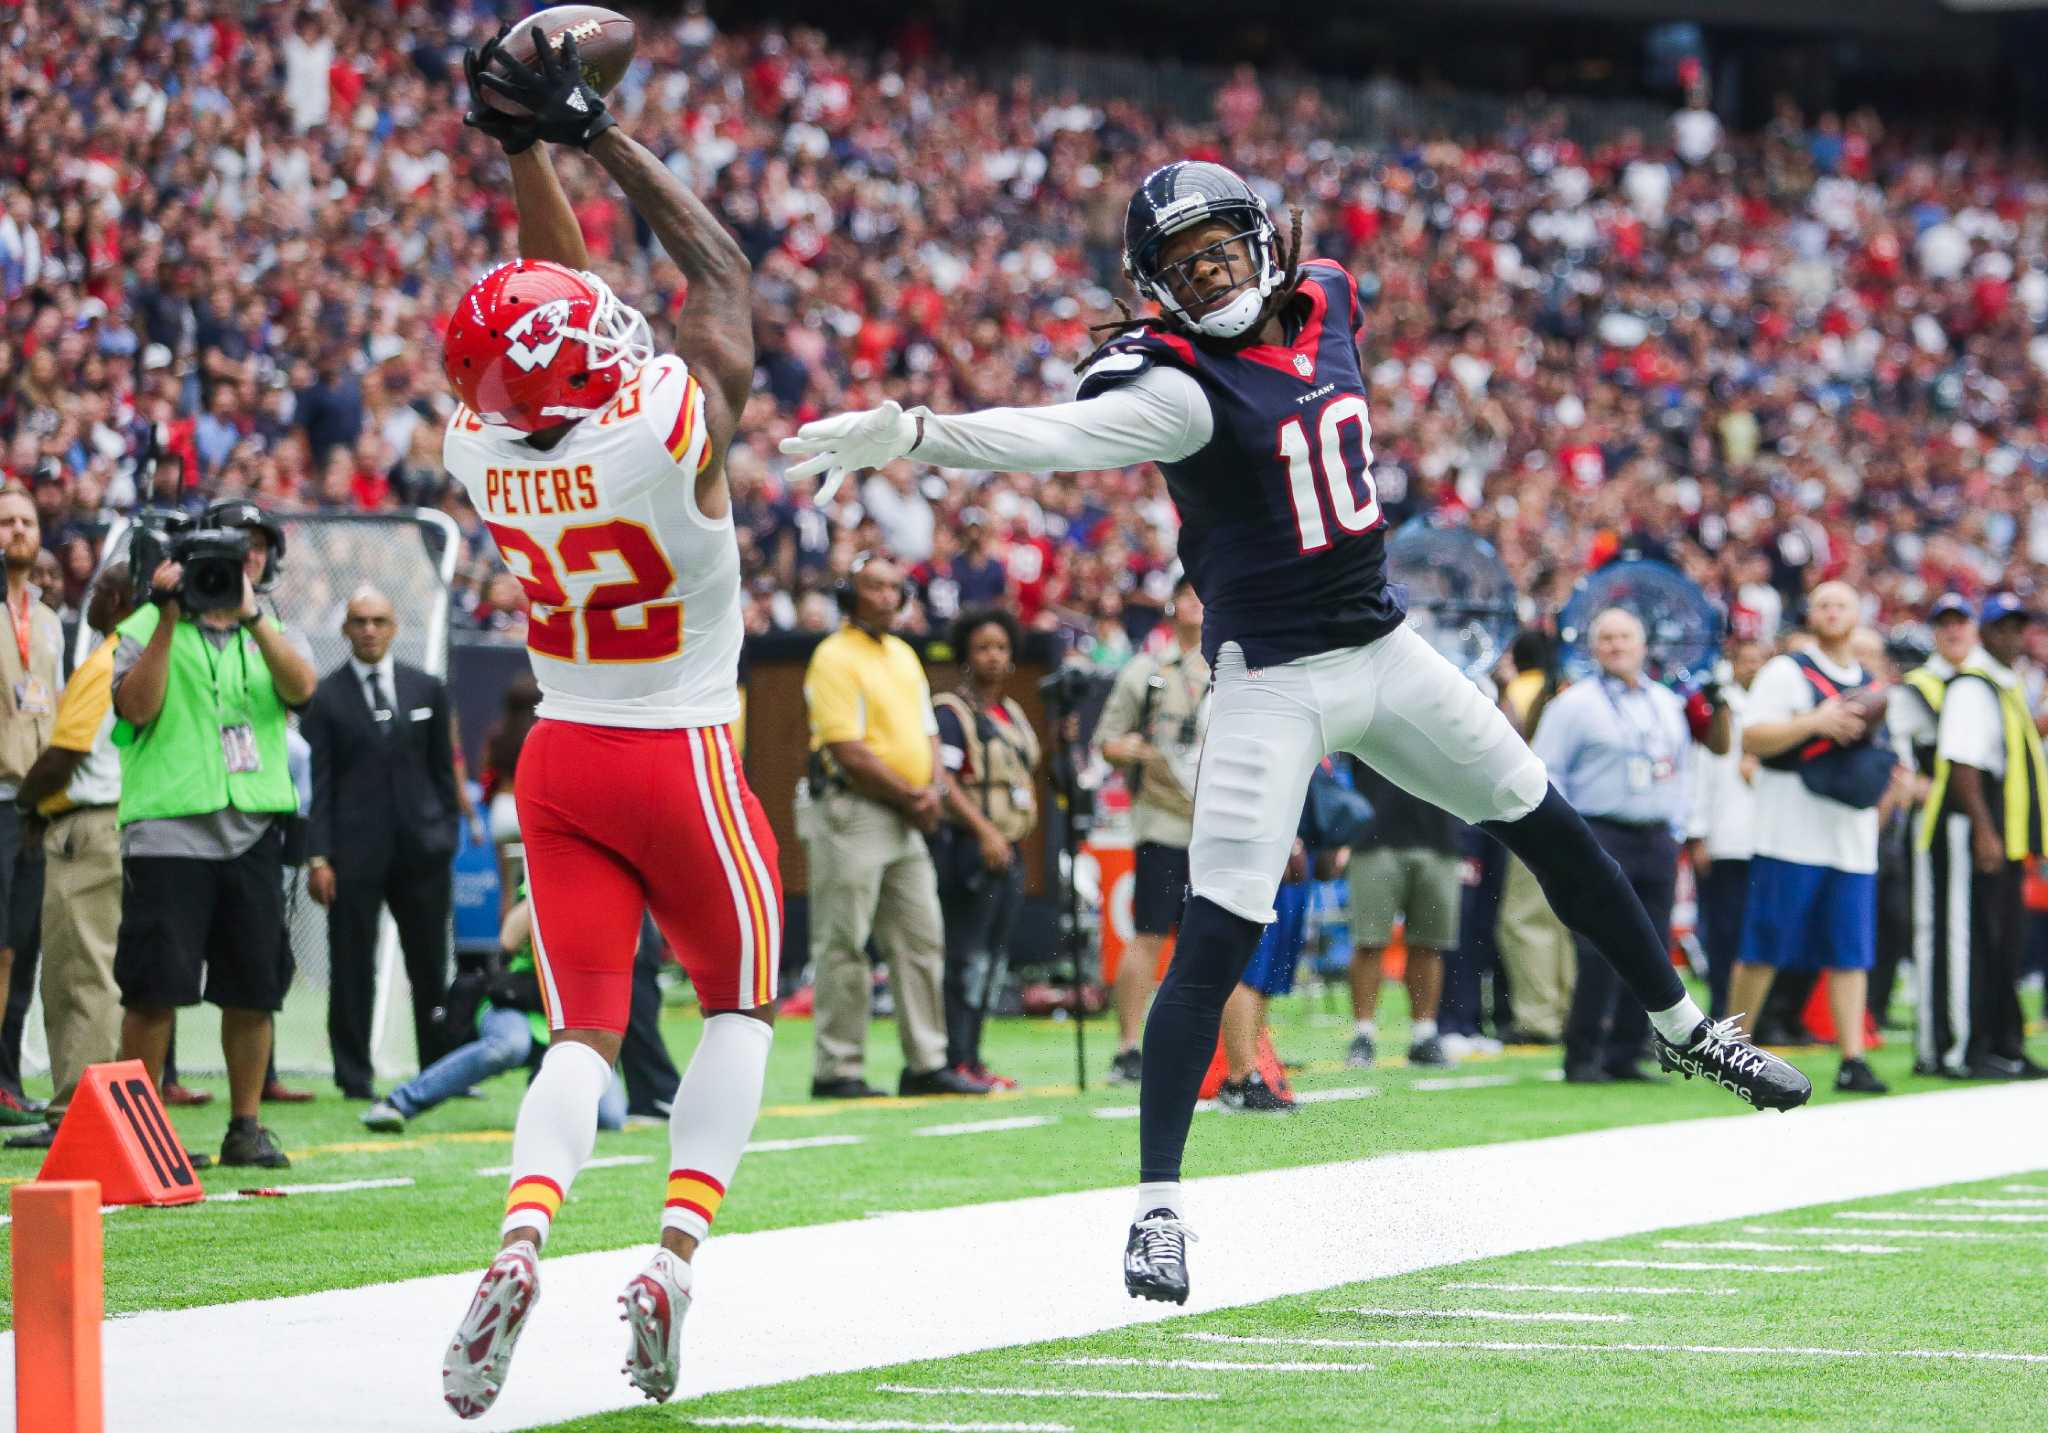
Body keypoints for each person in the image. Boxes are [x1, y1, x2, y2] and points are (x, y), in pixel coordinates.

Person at [782, 159, 1809, 1307]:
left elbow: (1315, 313)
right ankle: (1156, 1209)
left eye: (1219, 252)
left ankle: (1681, 1028)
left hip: (1386, 647)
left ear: (1262, 245)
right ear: (1153, 288)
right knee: (1214, 932)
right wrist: (916, 431)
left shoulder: (1327, 293)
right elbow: (1052, 439)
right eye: (1180, 268)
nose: (1207, 278)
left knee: (1550, 825)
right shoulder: (1175, 387)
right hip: (1270, 681)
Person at [437, 30, 782, 1415]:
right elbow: (719, 276)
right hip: (682, 750)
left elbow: (553, 304)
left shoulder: (476, 446)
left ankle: (523, 1235)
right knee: (741, 1003)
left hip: (562, 756)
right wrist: (593, 133)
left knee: (581, 1031)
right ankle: (674, 1257)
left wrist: (517, 142)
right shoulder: (660, 423)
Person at [109, 500, 316, 1167]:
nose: (242, 561)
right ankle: (137, 1139)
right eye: (228, 551)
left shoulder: (273, 625)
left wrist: (252, 617)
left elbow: (302, 688)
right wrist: (171, 614)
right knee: (153, 989)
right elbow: (136, 706)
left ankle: (245, 1127)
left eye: (253, 550)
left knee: (254, 989)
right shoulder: (143, 623)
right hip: (169, 831)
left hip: (251, 827)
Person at [799, 552, 978, 1099]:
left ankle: (926, 1062)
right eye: (874, 587)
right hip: (854, 811)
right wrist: (914, 796)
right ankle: (839, 1068)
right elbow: (845, 749)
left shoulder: (903, 654)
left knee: (922, 938)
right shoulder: (832, 657)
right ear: (849, 595)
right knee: (843, 941)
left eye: (895, 588)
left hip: (908, 814)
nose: (887, 597)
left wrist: (932, 791)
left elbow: (927, 734)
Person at [1532, 609, 1725, 1083]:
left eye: (1625, 637)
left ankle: (1627, 1050)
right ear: (1594, 647)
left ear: (1643, 646)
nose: (1617, 646)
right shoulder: (1574, 704)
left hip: (1655, 837)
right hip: (1598, 832)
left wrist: (1679, 827)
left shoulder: (1665, 702)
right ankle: (1582, 1053)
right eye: (1607, 638)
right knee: (1598, 947)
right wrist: (1565, 834)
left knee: (1653, 947)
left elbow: (1681, 768)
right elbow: (1545, 768)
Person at [1729, 581, 1894, 1096]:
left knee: (1850, 952)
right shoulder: (1786, 671)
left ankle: (1853, 1057)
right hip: (1789, 832)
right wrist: (1816, 722)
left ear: (1858, 614)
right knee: (1764, 944)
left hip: (1849, 837)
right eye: (1822, 603)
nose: (1831, 611)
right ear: (1811, 614)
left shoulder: (1870, 682)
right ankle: (1734, 1046)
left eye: (1841, 603)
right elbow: (1752, 737)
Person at [302, 586, 460, 1099]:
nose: (369, 629)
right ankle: (353, 1076)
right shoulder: (325, 697)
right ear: (345, 629)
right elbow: (317, 785)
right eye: (359, 621)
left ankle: (440, 1072)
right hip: (352, 857)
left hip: (422, 854)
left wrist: (445, 835)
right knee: (350, 968)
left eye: (378, 620)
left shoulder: (426, 688)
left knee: (430, 965)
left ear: (394, 627)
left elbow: (444, 772)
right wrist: (319, 855)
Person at [5, 561, 132, 1150]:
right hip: (128, 824)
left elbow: (64, 754)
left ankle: (74, 1115)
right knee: (106, 973)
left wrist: (27, 803)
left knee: (78, 975)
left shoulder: (106, 659)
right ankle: (111, 1108)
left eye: (102, 591)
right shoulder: (152, 662)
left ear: (114, 598)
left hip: (85, 825)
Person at [1913, 593, 2048, 1079]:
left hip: (2008, 837)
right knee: (1966, 941)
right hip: (1975, 830)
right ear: (1984, 633)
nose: (2013, 636)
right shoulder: (1973, 685)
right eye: (2002, 627)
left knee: (2003, 944)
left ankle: (2003, 1043)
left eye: (2019, 626)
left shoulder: (2005, 684)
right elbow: (1963, 763)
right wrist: (1985, 832)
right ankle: (1962, 1048)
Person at [362, 894, 627, 1133]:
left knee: (610, 1117)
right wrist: (556, 895)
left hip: (572, 1022)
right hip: (517, 1006)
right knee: (509, 1046)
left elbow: (629, 949)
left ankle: (545, 1090)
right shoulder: (547, 879)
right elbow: (509, 938)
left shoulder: (609, 893)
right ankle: (399, 1103)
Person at [1090, 575, 1207, 1084]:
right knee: (1150, 934)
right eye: (1190, 594)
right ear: (1172, 604)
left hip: (1217, 826)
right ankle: (1127, 1046)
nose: (1199, 604)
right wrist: (1140, 750)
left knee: (1213, 940)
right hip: (1161, 819)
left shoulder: (1234, 668)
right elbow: (1108, 740)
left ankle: (1221, 1046)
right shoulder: (1148, 671)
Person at [932, 607, 1042, 1090]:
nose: (994, 656)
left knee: (992, 962)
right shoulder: (951, 712)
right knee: (965, 958)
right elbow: (944, 782)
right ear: (964, 656)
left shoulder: (1013, 714)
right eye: (983, 647)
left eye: (1001, 647)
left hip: (1010, 850)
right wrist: (985, 832)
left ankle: (974, 1059)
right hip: (970, 850)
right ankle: (955, 1057)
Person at [0, 485, 60, 1124]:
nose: (17, 530)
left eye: (27, 521)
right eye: (6, 521)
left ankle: (9, 1079)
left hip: (36, 803)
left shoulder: (44, 619)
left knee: (24, 945)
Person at [1344, 757, 1466, 1070]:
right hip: (1374, 834)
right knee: (1369, 941)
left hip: (1439, 836)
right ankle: (1363, 1034)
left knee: (1429, 943)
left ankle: (1424, 1035)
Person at [1688, 636, 1769, 1021]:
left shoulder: (1774, 710)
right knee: (1724, 931)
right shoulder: (1721, 709)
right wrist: (1698, 832)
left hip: (1768, 839)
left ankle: (1758, 1014)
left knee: (1761, 931)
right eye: (1745, 659)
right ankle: (1723, 1008)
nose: (1752, 666)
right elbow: (1703, 773)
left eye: (1758, 659)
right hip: (1728, 837)